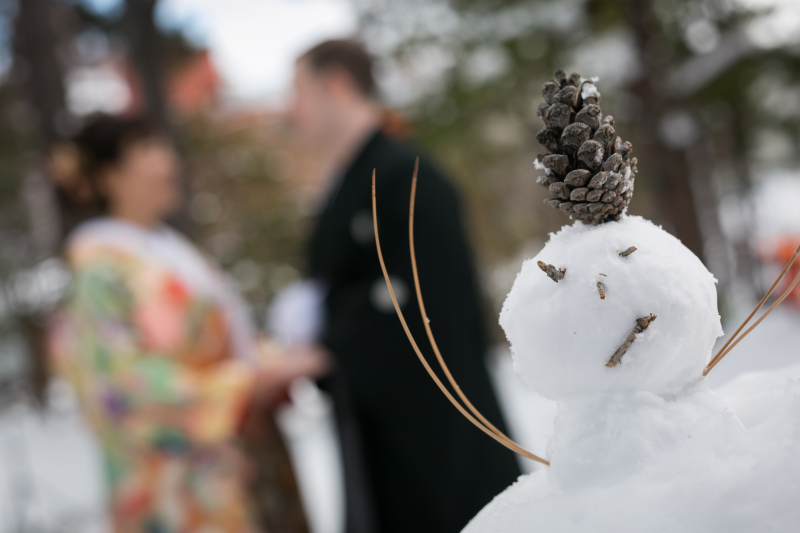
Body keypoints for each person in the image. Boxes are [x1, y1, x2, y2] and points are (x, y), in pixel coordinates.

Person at [47, 115, 327, 533]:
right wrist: (241, 385)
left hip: (239, 459)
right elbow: (120, 387)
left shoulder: (170, 251)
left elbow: (226, 345)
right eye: (147, 151)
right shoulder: (100, 270)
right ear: (109, 177)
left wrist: (272, 363)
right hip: (181, 483)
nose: (168, 163)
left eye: (164, 149)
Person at [288, 40, 522, 533]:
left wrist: (325, 348)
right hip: (378, 429)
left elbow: (421, 295)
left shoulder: (407, 175)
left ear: (337, 85)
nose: (293, 111)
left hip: (439, 433)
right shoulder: (349, 183)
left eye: (300, 93)